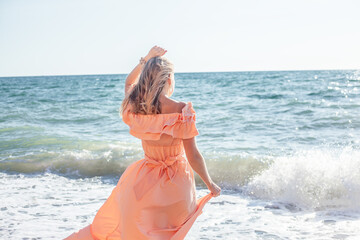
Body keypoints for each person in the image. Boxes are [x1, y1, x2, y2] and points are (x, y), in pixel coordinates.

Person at [64, 45, 221, 240]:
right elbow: (193, 155)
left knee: (141, 232)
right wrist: (210, 184)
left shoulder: (136, 106)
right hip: (176, 182)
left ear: (146, 77)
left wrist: (146, 60)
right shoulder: (181, 110)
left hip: (144, 178)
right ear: (169, 79)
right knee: (170, 233)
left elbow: (129, 81)